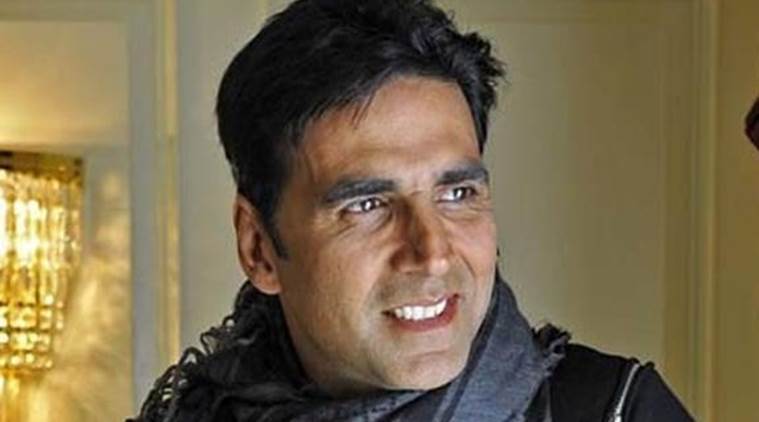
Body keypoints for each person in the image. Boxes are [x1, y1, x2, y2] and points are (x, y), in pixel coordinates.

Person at [131, 0, 693, 420]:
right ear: (259, 249)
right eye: (368, 204)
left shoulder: (617, 411)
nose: (432, 252)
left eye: (458, 194)